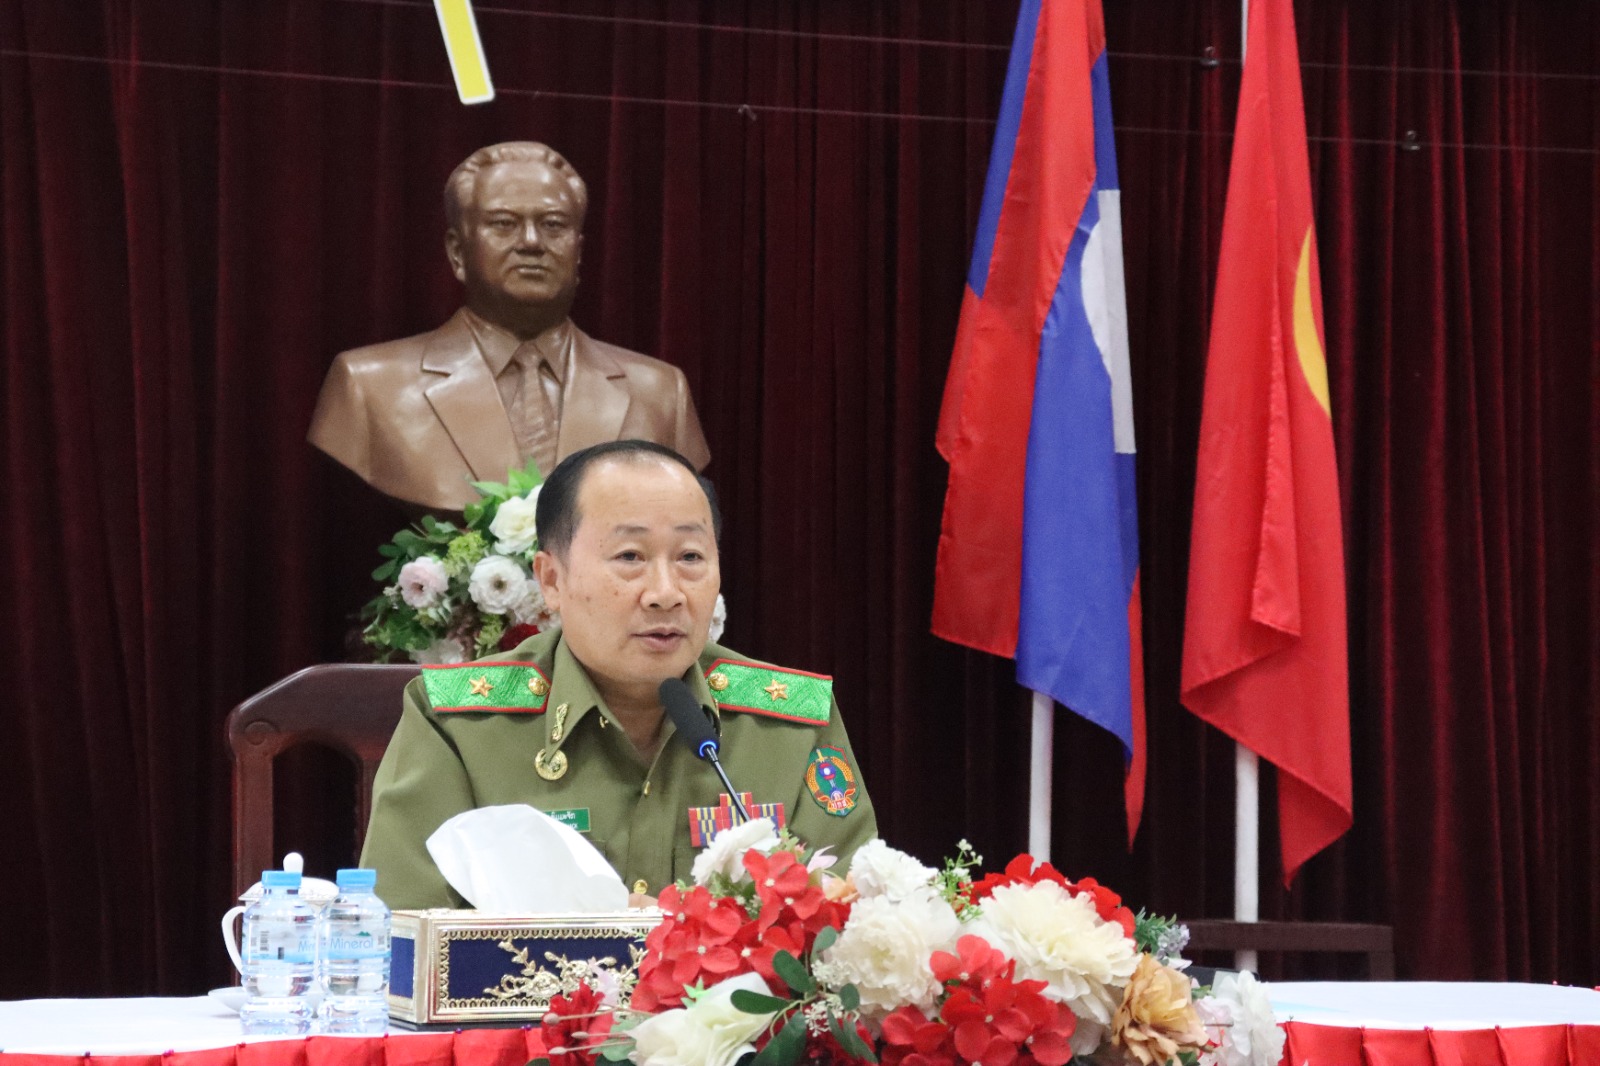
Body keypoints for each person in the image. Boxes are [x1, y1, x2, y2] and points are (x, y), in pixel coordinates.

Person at [359, 441, 877, 909]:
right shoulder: (457, 725)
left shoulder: (791, 725)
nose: (665, 592)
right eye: (630, 557)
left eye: (690, 557)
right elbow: (407, 937)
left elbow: (847, 927)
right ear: (551, 580)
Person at [308, 142, 710, 511]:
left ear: (579, 251)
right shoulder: (366, 386)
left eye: (554, 224)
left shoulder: (660, 392)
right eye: (503, 223)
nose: (532, 242)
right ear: (457, 252)